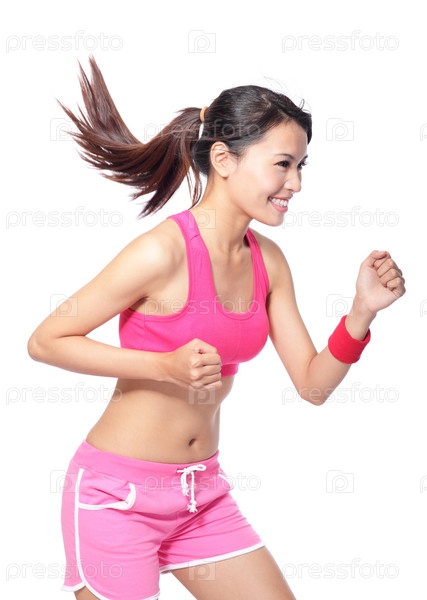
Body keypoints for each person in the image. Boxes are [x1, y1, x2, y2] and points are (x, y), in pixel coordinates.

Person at [27, 57, 405, 600]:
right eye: (283, 164)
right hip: (118, 497)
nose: (296, 183)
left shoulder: (268, 261)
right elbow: (46, 340)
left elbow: (313, 385)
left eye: (301, 166)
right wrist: (163, 366)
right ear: (224, 159)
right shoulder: (162, 251)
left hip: (201, 497)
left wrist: (361, 313)